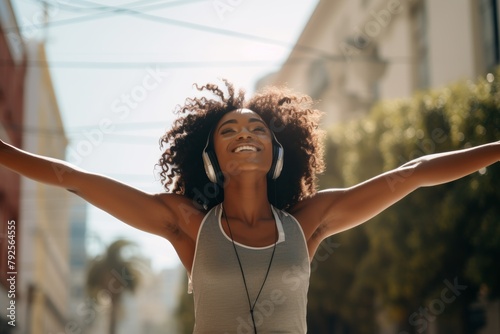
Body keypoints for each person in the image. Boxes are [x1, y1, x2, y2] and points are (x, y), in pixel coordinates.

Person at [1, 80, 499, 333]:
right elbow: (77, 179)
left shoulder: (307, 222)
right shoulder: (187, 223)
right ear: (210, 154)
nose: (245, 135)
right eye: (230, 130)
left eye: (257, 129)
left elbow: (409, 175)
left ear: (277, 151)